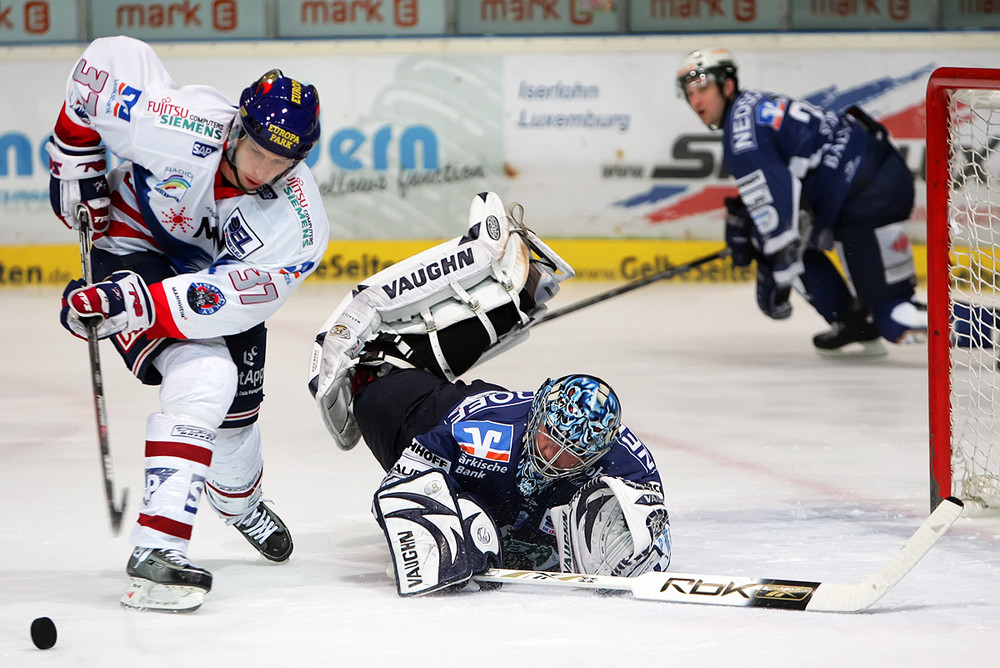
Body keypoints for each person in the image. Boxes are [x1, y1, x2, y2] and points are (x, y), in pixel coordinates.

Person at [48, 36, 329, 612]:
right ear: (236, 130)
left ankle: (240, 503)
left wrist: (128, 306)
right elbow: (100, 70)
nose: (265, 170)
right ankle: (158, 550)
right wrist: (74, 161)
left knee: (234, 426)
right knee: (205, 376)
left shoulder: (297, 225)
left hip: (220, 284)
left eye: (284, 162)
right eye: (258, 152)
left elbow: (225, 296)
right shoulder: (180, 123)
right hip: (134, 240)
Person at [309, 191, 671, 595]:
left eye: (569, 453)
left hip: (460, 408)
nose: (550, 457)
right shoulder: (485, 431)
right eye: (550, 441)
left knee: (498, 521)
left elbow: (652, 517)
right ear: (538, 419)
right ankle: (483, 281)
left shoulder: (620, 456)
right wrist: (439, 524)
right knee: (380, 389)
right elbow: (403, 483)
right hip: (410, 407)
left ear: (596, 452)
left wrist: (642, 542)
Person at [677, 47, 927, 357]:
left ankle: (990, 328)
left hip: (865, 195)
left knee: (894, 317)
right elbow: (787, 192)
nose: (696, 100)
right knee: (780, 242)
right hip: (871, 178)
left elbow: (782, 226)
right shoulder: (752, 105)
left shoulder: (741, 137)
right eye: (689, 93)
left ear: (727, 86)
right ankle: (855, 323)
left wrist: (774, 283)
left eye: (703, 88)